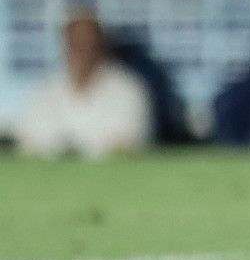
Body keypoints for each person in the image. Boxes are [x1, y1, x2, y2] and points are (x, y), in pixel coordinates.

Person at [15, 12, 151, 159]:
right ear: (65, 46)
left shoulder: (127, 89)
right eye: (75, 42)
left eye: (88, 42)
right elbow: (29, 142)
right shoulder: (45, 89)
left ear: (101, 46)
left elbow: (127, 143)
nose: (82, 50)